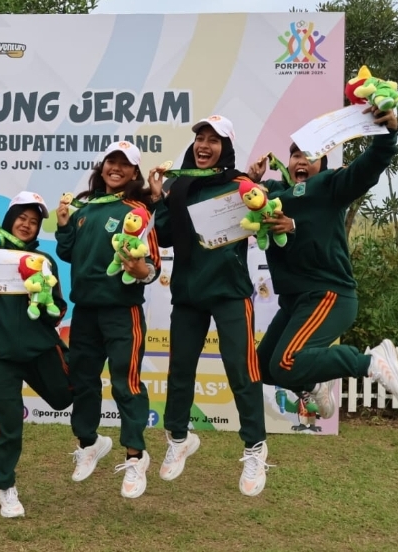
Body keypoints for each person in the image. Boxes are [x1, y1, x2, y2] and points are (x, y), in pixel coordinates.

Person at [245, 106, 398, 417]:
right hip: (295, 301)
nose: (302, 160)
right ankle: (314, 385)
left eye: (310, 155)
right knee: (264, 368)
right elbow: (241, 202)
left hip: (329, 293)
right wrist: (248, 180)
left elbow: (369, 166)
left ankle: (371, 361)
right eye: (295, 155)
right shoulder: (275, 195)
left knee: (287, 361)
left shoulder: (331, 187)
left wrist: (387, 135)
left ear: (322, 163)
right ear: (288, 164)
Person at [150, 115, 270, 497]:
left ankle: (255, 447)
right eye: (200, 138)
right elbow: (166, 237)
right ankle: (179, 438)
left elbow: (262, 215)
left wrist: (259, 187)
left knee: (241, 368)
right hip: (187, 293)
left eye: (213, 140)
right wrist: (161, 200)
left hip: (231, 292)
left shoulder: (240, 185)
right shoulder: (180, 184)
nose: (204, 145)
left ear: (226, 148)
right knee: (180, 369)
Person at [0, 191, 72, 518]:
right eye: (22, 217)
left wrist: (44, 296)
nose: (27, 225)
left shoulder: (44, 262)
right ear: (10, 219)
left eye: (34, 222)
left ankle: (88, 442)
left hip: (40, 351)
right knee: (6, 427)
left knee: (70, 394)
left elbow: (57, 310)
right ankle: (6, 488)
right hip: (0, 355)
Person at [55, 141, 161, 499]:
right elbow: (67, 252)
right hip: (84, 310)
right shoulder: (86, 206)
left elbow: (152, 265)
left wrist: (142, 270)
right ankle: (89, 443)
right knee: (82, 381)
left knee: (125, 383)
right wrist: (65, 224)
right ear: (103, 167)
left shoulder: (139, 210)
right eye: (110, 162)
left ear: (134, 173)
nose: (115, 169)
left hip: (122, 311)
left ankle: (135, 456)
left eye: (124, 165)